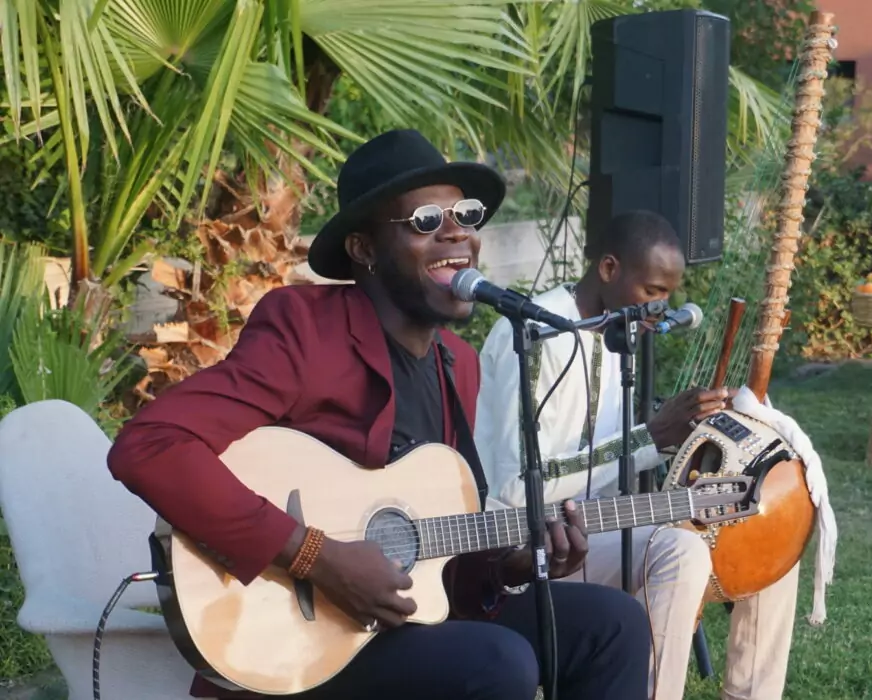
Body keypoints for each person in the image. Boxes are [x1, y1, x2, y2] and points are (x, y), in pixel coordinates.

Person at [106, 130, 652, 700]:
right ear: (364, 249)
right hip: (307, 635)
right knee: (497, 661)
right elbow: (149, 444)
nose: (458, 233)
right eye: (425, 221)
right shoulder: (306, 329)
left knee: (613, 624)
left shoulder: (457, 364)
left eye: (465, 215)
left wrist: (510, 566)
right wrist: (315, 556)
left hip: (403, 624)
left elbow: (441, 565)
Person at [474, 210, 800, 700]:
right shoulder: (533, 336)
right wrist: (648, 436)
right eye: (652, 291)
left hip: (593, 528)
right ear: (609, 268)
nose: (660, 309)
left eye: (667, 295)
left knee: (767, 518)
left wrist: (692, 432)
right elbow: (517, 488)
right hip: (523, 547)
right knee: (681, 552)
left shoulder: (613, 333)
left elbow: (611, 448)